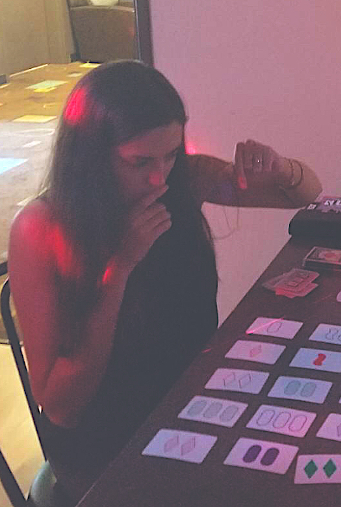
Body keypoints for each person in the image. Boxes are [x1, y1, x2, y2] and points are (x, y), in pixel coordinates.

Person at [7, 60, 321, 503]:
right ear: (91, 155)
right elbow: (62, 406)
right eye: (139, 161)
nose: (159, 177)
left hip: (192, 403)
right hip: (106, 448)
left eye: (171, 154)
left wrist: (282, 167)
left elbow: (307, 197)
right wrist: (119, 269)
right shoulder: (41, 227)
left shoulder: (184, 179)